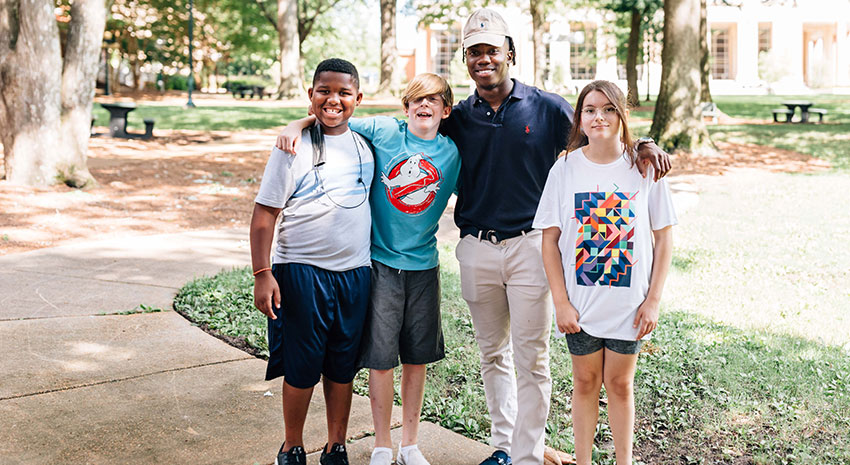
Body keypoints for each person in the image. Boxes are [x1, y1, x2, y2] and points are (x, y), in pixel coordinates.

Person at [442, 9, 671, 465]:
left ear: (510, 53)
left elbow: (598, 132)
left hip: (530, 245)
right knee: (492, 355)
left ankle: (528, 453)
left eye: (492, 50)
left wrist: (644, 144)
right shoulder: (459, 118)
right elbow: (414, 129)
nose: (483, 59)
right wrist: (304, 124)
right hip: (476, 247)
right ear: (465, 59)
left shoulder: (545, 107)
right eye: (474, 52)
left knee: (533, 358)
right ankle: (504, 447)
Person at [275, 73, 460, 465]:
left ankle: (409, 444)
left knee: (416, 359)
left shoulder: (452, 153)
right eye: (416, 101)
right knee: (380, 359)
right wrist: (298, 122)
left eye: (433, 101)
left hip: (425, 266)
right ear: (405, 108)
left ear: (446, 110)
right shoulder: (385, 131)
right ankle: (382, 444)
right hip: (380, 264)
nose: (424, 107)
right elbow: (334, 116)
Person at [533, 80, 676, 465]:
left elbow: (664, 240)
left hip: (629, 307)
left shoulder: (644, 167)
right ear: (579, 118)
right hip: (580, 308)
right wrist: (561, 303)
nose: (599, 117)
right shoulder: (565, 168)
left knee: (619, 384)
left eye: (609, 109)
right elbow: (549, 241)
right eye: (590, 109)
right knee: (584, 383)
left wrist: (653, 302)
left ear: (622, 114)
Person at [251, 58, 374, 465]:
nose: (333, 99)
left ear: (358, 98)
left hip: (355, 274)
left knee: (342, 365)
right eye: (324, 91)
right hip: (301, 271)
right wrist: (262, 274)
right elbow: (264, 215)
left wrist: (299, 122)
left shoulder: (367, 145)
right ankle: (292, 445)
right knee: (302, 365)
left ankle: (336, 445)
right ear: (311, 96)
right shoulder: (292, 148)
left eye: (343, 92)